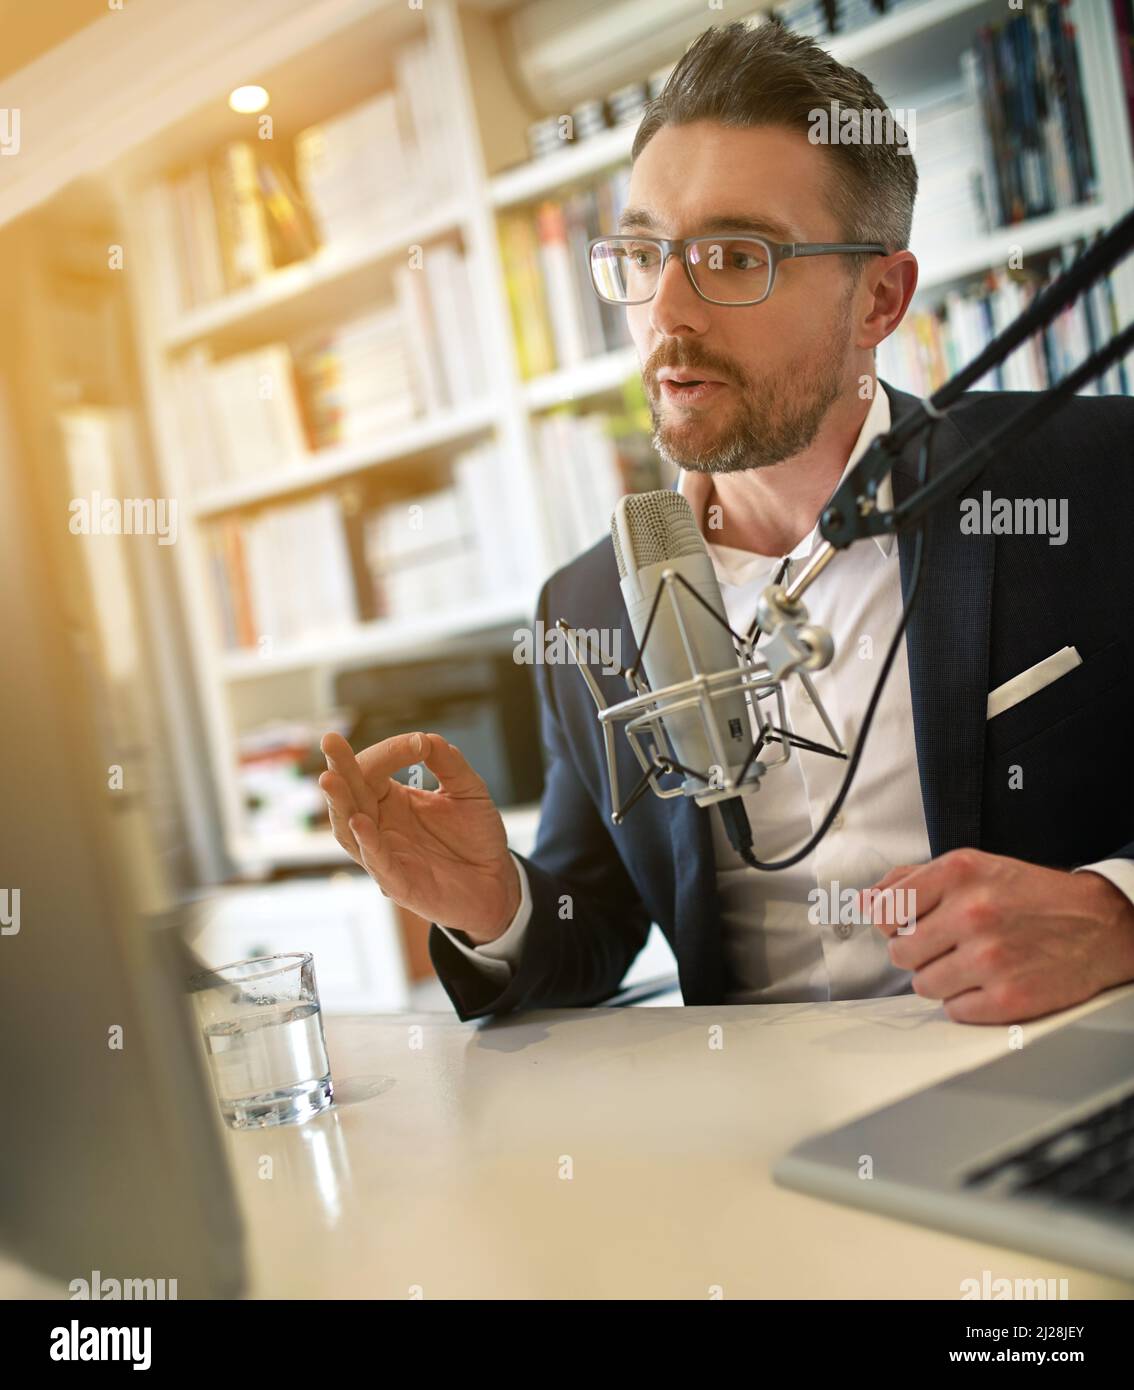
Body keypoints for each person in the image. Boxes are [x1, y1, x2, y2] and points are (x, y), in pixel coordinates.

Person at [319, 21, 1134, 1025]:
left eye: (735, 255)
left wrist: (1117, 914)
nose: (668, 310)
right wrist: (498, 908)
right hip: (755, 1143)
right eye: (643, 254)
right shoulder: (587, 609)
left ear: (880, 297)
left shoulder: (1090, 478)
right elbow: (594, 927)